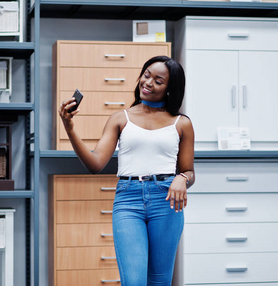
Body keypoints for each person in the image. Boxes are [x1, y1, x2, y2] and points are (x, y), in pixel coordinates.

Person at [59, 55, 195, 286]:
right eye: (146, 75)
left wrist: (182, 178)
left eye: (158, 81)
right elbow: (95, 164)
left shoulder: (181, 123)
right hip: (128, 200)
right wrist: (69, 128)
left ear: (170, 89)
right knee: (133, 281)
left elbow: (189, 171)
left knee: (160, 281)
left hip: (166, 201)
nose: (148, 82)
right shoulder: (120, 119)